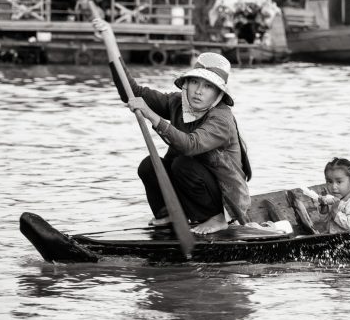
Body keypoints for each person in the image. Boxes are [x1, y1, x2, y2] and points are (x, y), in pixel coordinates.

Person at [92, 18, 251, 235]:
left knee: (182, 164)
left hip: (225, 198)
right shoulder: (178, 102)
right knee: (149, 165)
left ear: (218, 94)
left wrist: (151, 115)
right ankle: (167, 214)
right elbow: (133, 92)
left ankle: (216, 219)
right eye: (195, 82)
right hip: (191, 188)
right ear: (187, 84)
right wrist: (110, 40)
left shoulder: (221, 118)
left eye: (207, 87)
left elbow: (190, 145)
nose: (198, 91)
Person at [317, 158, 350, 233]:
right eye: (330, 182)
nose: (333, 187)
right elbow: (323, 219)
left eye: (339, 182)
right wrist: (324, 205)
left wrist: (335, 211)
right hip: (337, 238)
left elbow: (349, 224)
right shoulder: (333, 199)